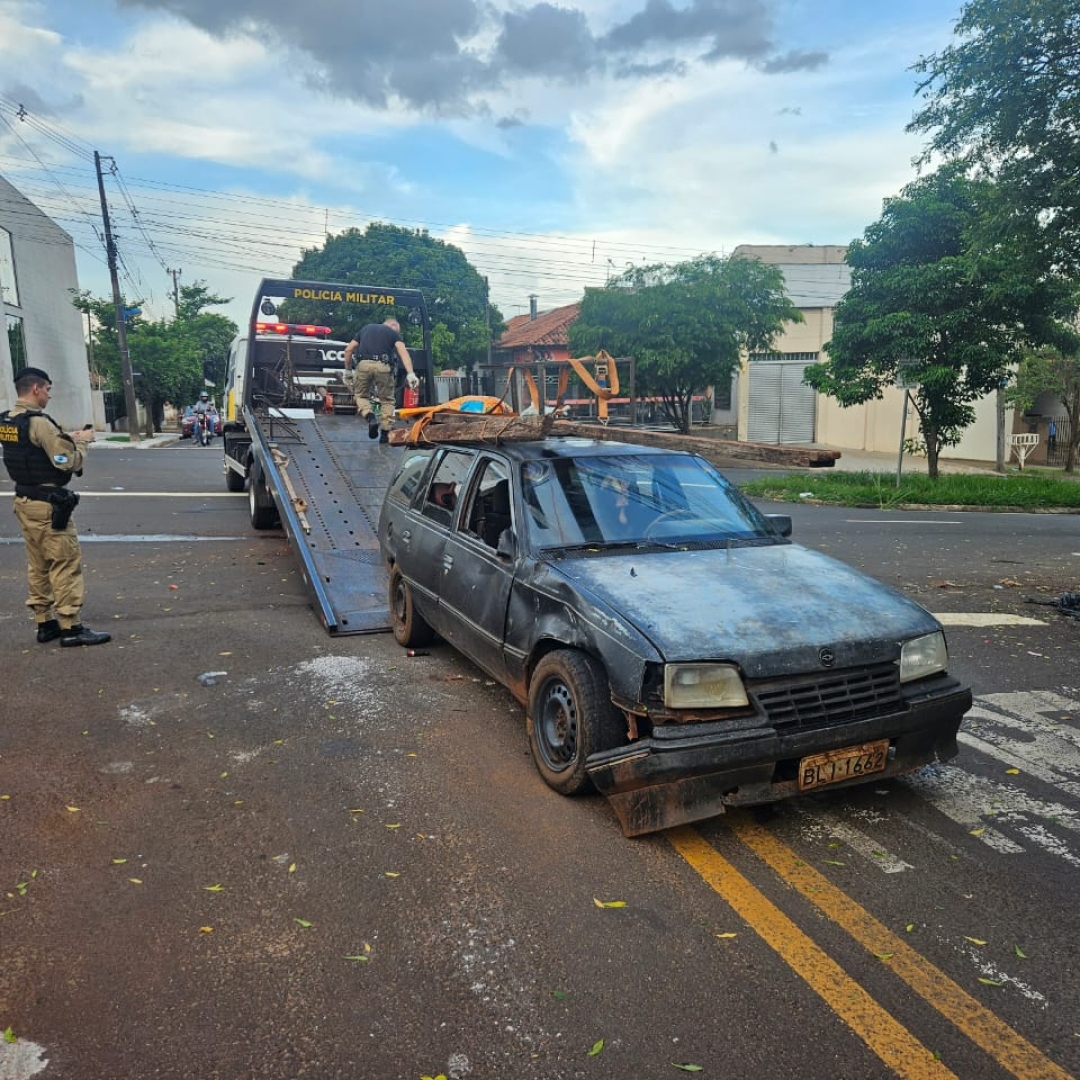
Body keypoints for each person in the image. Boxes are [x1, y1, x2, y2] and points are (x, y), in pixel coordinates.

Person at [0, 366, 111, 646]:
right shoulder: (40, 423)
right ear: (36, 388)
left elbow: (32, 448)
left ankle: (44, 622)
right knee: (64, 563)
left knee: (37, 564)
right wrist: (82, 444)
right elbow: (66, 462)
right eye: (48, 390)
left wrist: (67, 437)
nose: (49, 396)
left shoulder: (9, 421)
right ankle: (71, 627)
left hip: (24, 502)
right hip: (49, 507)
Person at [343, 318, 420, 443]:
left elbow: (348, 350)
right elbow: (403, 353)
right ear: (393, 325)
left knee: (361, 395)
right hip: (383, 366)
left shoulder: (366, 328)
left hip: (363, 365)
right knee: (387, 400)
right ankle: (385, 433)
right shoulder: (393, 333)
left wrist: (347, 370)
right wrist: (410, 373)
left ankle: (370, 417)